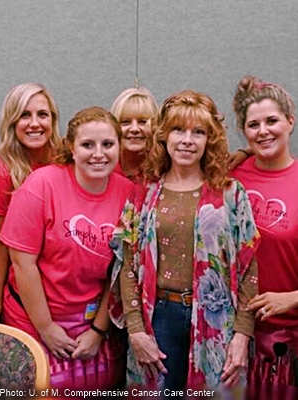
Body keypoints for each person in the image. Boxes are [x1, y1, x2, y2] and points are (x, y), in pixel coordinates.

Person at [110, 89, 260, 396]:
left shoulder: (231, 193)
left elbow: (250, 268)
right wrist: (136, 331)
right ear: (164, 135)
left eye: (198, 132)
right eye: (178, 130)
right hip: (158, 317)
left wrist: (242, 335)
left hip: (217, 321)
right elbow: (127, 265)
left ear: (210, 139)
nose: (187, 140)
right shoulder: (143, 191)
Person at [0, 106, 135, 389]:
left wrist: (98, 330)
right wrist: (46, 327)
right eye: (87, 145)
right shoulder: (41, 184)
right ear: (71, 149)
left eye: (107, 144)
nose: (98, 153)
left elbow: (121, 269)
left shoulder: (129, 194)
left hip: (91, 324)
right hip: (32, 319)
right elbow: (23, 263)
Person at [230, 75, 298, 391]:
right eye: (253, 125)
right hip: (234, 336)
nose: (263, 131)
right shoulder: (229, 177)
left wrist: (292, 298)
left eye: (272, 121)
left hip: (288, 343)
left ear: (290, 121)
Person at [0, 82, 62, 319]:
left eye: (42, 115)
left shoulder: (67, 161)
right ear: (12, 121)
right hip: (23, 298)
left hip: (65, 298)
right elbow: (1, 247)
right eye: (25, 115)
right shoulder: (3, 172)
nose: (35, 123)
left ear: (53, 120)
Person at [110, 86, 158, 183]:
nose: (134, 129)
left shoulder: (163, 171)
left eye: (143, 122)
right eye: (125, 122)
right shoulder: (104, 169)